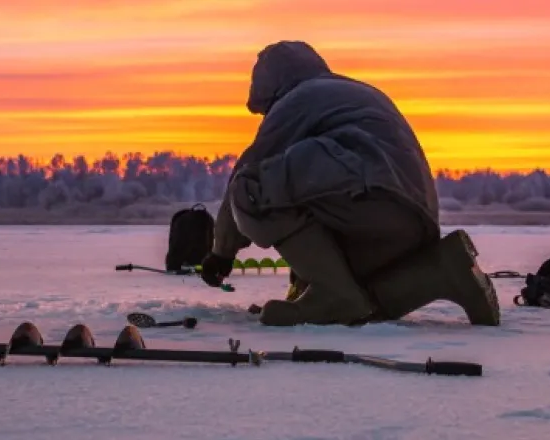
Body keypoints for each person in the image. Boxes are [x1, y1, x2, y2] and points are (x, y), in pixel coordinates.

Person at [198, 40, 501, 327]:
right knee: (362, 302)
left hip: (368, 201)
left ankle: (332, 293)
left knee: (253, 188)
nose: (265, 117)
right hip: (410, 225)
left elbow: (244, 177)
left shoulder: (298, 99)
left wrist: (221, 252)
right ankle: (445, 269)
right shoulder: (356, 92)